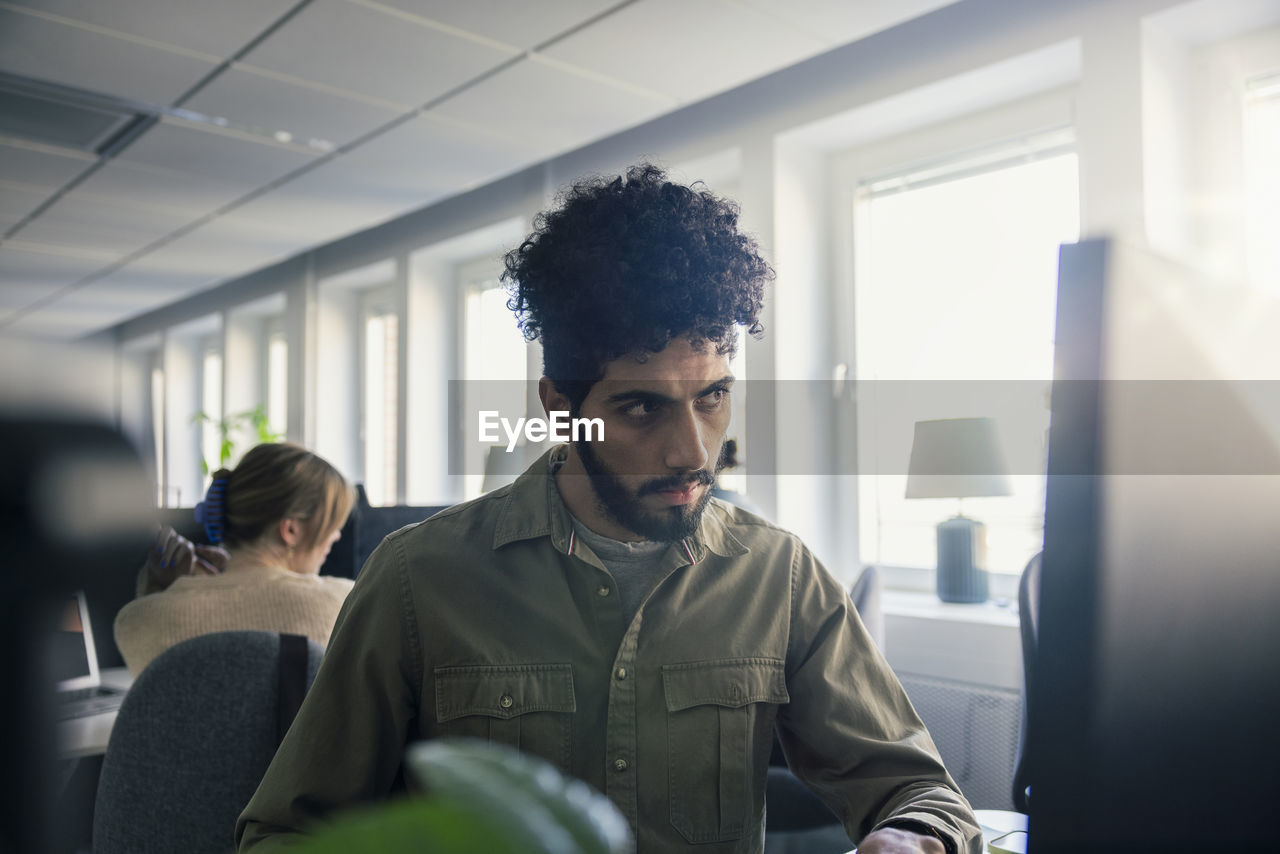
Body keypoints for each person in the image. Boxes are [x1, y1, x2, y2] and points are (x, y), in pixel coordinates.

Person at [237, 165, 981, 854]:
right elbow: (284, 834)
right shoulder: (417, 581)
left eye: (713, 396)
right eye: (641, 408)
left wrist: (913, 836)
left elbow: (922, 793)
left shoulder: (779, 576)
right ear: (560, 406)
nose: (692, 451)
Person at [114, 442, 356, 675]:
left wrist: (157, 591)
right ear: (290, 530)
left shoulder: (137, 620)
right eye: (331, 525)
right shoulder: (346, 605)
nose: (335, 536)